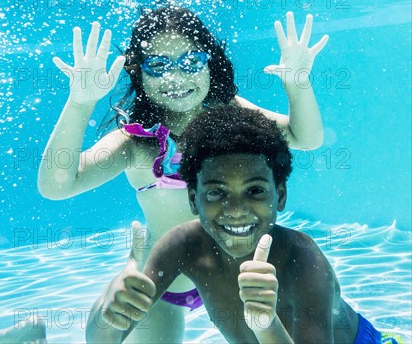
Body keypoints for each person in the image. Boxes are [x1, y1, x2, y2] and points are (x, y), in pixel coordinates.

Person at [34, 6, 327, 343]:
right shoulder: (137, 143)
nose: (175, 78)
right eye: (158, 66)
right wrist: (80, 102)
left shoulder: (231, 114)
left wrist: (298, 84)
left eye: (191, 62)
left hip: (237, 277)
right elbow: (56, 186)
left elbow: (304, 137)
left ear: (209, 62)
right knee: (104, 338)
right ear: (138, 73)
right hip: (164, 281)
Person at [86, 106, 402, 344]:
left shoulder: (302, 259)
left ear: (279, 196)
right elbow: (105, 339)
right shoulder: (181, 245)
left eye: (254, 191)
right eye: (216, 192)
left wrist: (266, 325)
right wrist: (110, 313)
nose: (235, 209)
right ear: (194, 200)